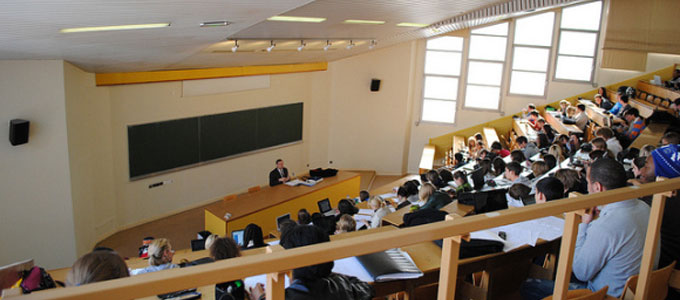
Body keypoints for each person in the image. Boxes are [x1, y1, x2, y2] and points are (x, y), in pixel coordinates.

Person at [522, 158, 656, 299]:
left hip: (604, 295)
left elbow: (581, 272)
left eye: (589, 185)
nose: (587, 189)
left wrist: (584, 225)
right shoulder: (645, 208)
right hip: (638, 290)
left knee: (528, 286)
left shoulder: (606, 225)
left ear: (597, 187)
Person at [249, 225, 374, 300]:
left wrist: (260, 297)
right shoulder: (342, 288)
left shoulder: (288, 296)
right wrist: (323, 270)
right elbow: (367, 289)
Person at [639, 145, 680, 300]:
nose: (642, 171)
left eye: (646, 167)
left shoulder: (656, 202)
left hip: (657, 275)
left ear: (663, 173)